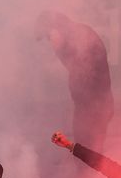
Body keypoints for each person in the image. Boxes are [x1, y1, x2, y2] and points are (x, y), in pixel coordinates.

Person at [36, 11, 115, 152]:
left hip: (93, 109)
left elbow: (88, 77)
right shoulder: (73, 39)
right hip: (92, 107)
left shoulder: (80, 40)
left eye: (49, 37)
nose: (50, 42)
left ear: (56, 28)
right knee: (87, 152)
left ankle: (87, 171)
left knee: (88, 152)